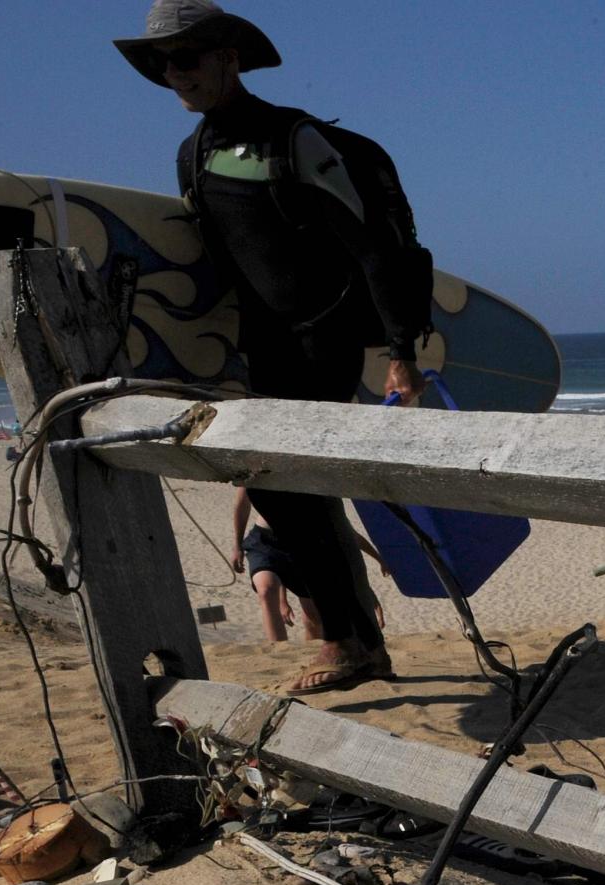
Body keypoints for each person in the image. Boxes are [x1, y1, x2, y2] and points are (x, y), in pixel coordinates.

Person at [115, 1, 430, 695]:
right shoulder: (191, 154)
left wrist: (402, 351)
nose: (176, 74)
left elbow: (371, 247)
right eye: (164, 63)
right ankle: (359, 645)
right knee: (287, 492)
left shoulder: (294, 139)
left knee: (289, 488)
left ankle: (348, 644)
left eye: (189, 57)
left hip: (324, 338)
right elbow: (221, 268)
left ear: (230, 56)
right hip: (261, 348)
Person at [230, 486, 322, 643]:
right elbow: (242, 501)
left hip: (303, 543)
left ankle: (311, 654)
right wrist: (237, 545)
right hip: (265, 540)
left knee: (313, 615)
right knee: (266, 589)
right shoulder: (254, 464)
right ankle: (279, 655)